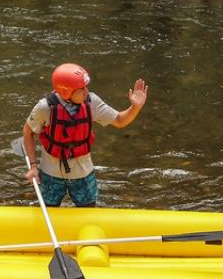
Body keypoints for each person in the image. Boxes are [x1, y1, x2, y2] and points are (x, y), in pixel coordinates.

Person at [21, 63, 148, 207]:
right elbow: (28, 131)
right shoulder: (45, 108)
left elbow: (119, 120)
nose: (86, 91)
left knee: (89, 209)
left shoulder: (91, 102)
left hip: (83, 173)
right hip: (51, 175)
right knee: (48, 210)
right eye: (81, 89)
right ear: (66, 92)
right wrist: (33, 166)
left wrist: (135, 107)